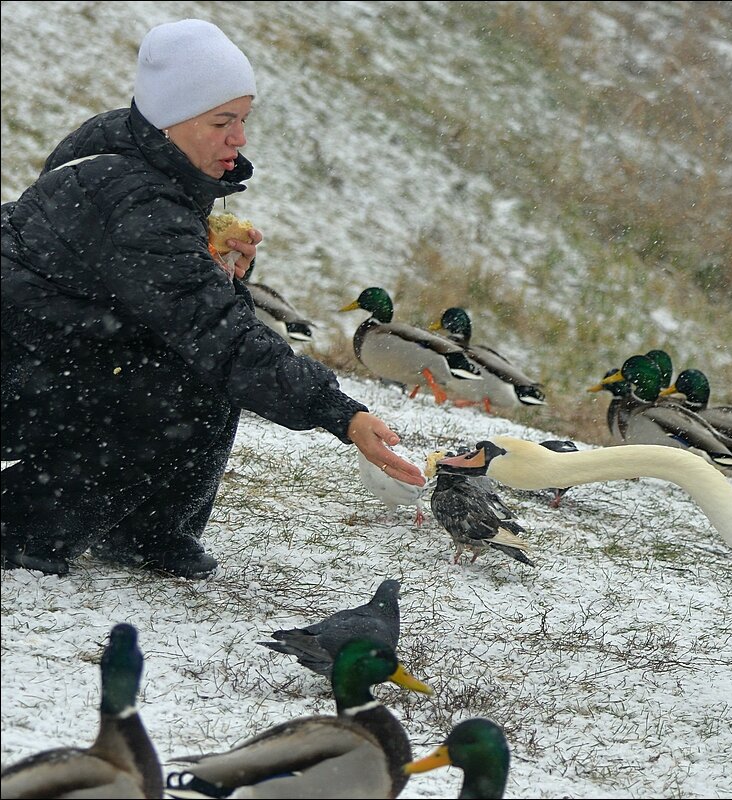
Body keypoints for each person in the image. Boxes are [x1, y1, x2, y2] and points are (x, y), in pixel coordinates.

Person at [1, 19, 424, 580]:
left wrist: (214, 268)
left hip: (39, 352)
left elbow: (150, 290)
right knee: (188, 373)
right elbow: (217, 332)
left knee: (188, 363)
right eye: (222, 122)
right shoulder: (136, 199)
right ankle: (26, 526)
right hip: (21, 370)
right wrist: (341, 415)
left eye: (243, 120)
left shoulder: (124, 146)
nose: (239, 139)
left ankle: (143, 532)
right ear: (171, 122)